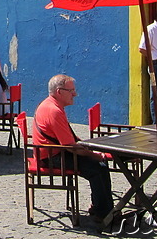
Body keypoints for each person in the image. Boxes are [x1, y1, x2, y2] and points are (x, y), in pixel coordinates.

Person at [33, 74, 114, 221]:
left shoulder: (52, 105)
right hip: (51, 157)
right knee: (98, 167)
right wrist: (95, 155)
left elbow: (70, 141)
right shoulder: (54, 111)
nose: (75, 94)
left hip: (54, 152)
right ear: (59, 92)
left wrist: (90, 149)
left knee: (99, 165)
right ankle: (104, 214)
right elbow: (70, 147)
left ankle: (102, 208)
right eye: (71, 91)